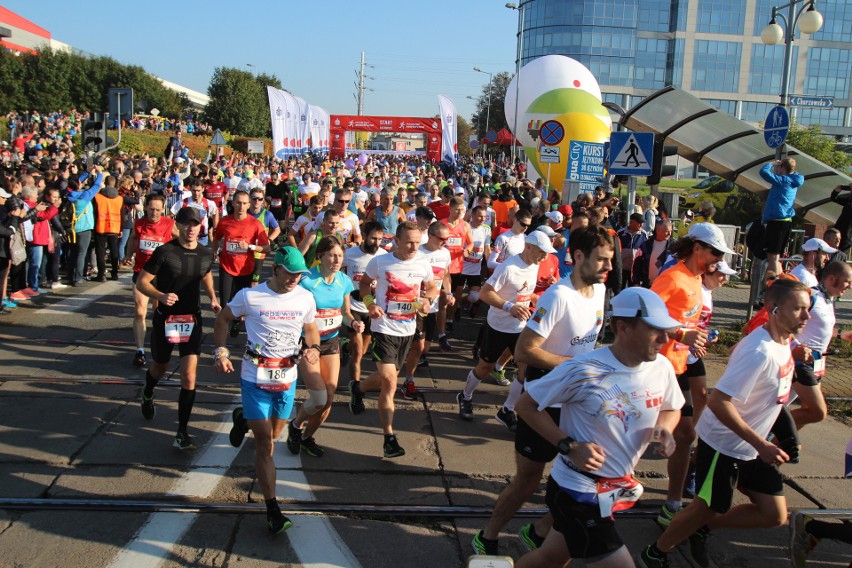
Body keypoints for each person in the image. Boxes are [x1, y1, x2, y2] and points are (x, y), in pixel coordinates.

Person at [638, 278, 811, 568]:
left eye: (808, 309)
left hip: (753, 448)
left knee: (774, 515)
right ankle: (655, 552)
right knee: (706, 507)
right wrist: (762, 443)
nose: (806, 316)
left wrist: (787, 436)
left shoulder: (785, 343)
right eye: (799, 310)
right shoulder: (759, 352)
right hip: (724, 446)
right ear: (774, 309)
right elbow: (719, 402)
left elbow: (775, 399)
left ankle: (702, 530)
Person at [512, 286, 683, 568]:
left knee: (550, 558)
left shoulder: (661, 367)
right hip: (576, 491)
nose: (665, 339)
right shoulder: (583, 369)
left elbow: (671, 407)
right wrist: (567, 445)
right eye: (655, 330)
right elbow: (525, 406)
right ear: (623, 327)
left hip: (612, 488)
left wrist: (664, 429)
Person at [471, 225, 613, 557]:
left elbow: (590, 342)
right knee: (529, 479)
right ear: (578, 257)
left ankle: (540, 530)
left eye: (610, 260)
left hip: (579, 400)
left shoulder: (600, 290)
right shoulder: (558, 296)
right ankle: (488, 535)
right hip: (543, 400)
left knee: (587, 476)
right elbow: (524, 352)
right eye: (602, 260)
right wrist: (572, 365)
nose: (609, 267)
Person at [212, 247, 321, 535]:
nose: (294, 279)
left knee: (274, 433)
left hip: (286, 377)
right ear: (275, 269)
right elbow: (223, 319)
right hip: (254, 375)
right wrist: (221, 352)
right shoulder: (250, 296)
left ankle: (242, 419)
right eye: (290, 273)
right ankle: (272, 508)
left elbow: (311, 329)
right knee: (265, 444)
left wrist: (313, 349)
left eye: (300, 275)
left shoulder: (305, 297)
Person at [651, 222, 734, 528]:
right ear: (697, 248)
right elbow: (642, 313)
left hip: (679, 366)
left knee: (685, 435)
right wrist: (680, 333)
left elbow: (684, 321)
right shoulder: (673, 277)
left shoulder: (697, 280)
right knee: (631, 433)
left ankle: (673, 503)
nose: (718, 259)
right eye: (715, 251)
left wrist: (698, 337)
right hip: (656, 368)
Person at [348, 221, 438, 458]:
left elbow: (431, 287)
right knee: (389, 381)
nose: (413, 247)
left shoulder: (423, 262)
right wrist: (370, 305)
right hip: (384, 329)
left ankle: (358, 388)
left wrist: (427, 299)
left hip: (407, 330)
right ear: (396, 241)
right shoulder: (380, 261)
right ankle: (389, 438)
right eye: (409, 242)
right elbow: (364, 284)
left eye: (417, 242)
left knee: (386, 376)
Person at [135, 206, 221, 450]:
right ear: (178, 225)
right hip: (166, 318)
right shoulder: (165, 252)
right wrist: (160, 296)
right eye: (186, 224)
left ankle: (182, 432)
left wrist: (213, 298)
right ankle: (148, 390)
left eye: (195, 224)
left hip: (191, 319)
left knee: (189, 375)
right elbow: (142, 282)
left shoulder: (206, 254)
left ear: (200, 226)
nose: (191, 228)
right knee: (160, 366)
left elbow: (204, 274)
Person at [456, 231, 555, 422]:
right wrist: (509, 307)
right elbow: (485, 294)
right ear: (528, 247)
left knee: (525, 369)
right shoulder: (508, 267)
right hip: (498, 326)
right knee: (485, 367)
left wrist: (537, 300)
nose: (545, 257)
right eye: (542, 252)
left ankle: (507, 410)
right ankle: (465, 395)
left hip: (521, 327)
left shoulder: (534, 265)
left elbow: (524, 293)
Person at [286, 236, 363, 457]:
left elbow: (345, 313)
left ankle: (306, 437)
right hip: (308, 344)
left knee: (328, 399)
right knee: (318, 397)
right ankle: (295, 425)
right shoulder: (307, 279)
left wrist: (354, 322)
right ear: (320, 256)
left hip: (331, 342)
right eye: (332, 255)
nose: (337, 259)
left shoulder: (344, 280)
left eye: (340, 255)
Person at [789, 260, 852, 430]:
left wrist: (840, 335)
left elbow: (818, 328)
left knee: (807, 411)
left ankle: (776, 445)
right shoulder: (812, 297)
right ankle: (775, 430)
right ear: (832, 278)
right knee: (817, 412)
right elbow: (785, 324)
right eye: (847, 281)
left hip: (817, 364)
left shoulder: (828, 300)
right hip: (800, 363)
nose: (850, 287)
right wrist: (796, 347)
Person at [401, 221, 452, 398]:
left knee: (425, 349)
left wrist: (449, 292)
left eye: (447, 238)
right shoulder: (417, 253)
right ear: (430, 236)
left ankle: (407, 357)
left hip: (434, 306)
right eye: (441, 239)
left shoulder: (445, 253)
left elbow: (445, 274)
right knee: (419, 346)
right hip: (416, 306)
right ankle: (409, 381)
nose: (445, 242)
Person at [211, 190, 271, 336]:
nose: (241, 206)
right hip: (226, 266)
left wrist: (250, 247)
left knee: (242, 302)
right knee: (226, 302)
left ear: (249, 205)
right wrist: (215, 251)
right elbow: (216, 238)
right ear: (233, 203)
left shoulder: (255, 224)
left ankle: (237, 322)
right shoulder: (225, 221)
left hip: (245, 268)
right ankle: (222, 338)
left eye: (244, 203)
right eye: (238, 203)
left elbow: (267, 248)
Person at [127, 194, 177, 367]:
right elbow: (133, 239)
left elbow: (182, 240)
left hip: (162, 275)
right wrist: (127, 255)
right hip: (141, 273)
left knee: (159, 314)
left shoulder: (169, 224)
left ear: (162, 209)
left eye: (158, 209)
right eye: (151, 209)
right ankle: (140, 351)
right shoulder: (139, 223)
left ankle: (158, 346)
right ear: (146, 207)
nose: (154, 213)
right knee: (140, 311)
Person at [341, 221, 387, 386]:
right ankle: (355, 388)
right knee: (358, 353)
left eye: (380, 239)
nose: (377, 243)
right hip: (354, 307)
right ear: (364, 236)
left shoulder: (384, 256)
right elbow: (339, 272)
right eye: (373, 238)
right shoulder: (349, 254)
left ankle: (345, 347)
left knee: (363, 350)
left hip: (373, 309)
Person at [760, 158, 804, 276]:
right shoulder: (794, 179)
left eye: (779, 167)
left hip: (777, 221)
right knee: (775, 257)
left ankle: (773, 283)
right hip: (785, 221)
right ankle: (776, 280)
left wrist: (771, 163)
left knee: (772, 256)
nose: (777, 169)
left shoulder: (783, 181)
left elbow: (763, 172)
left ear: (783, 168)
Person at [171, 178, 219, 247]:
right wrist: (176, 231)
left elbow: (215, 212)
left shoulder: (208, 203)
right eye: (194, 190)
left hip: (202, 239)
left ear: (203, 189)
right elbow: (168, 216)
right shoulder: (183, 203)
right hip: (186, 238)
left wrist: (215, 228)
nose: (196, 193)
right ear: (190, 189)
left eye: (198, 191)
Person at [633, 219, 675, 288]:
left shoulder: (674, 247)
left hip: (666, 286)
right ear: (658, 230)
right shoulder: (645, 245)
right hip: (647, 286)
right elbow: (637, 265)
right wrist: (636, 282)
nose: (670, 234)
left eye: (671, 231)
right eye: (667, 231)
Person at [829, 183, 852, 252]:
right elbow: (834, 198)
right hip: (838, 230)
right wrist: (836, 191)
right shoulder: (849, 200)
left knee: (840, 254)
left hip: (847, 236)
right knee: (831, 251)